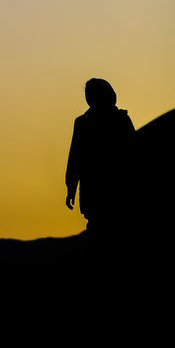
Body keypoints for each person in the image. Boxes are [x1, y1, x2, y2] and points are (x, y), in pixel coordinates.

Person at [64, 78, 135, 238]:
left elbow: (134, 154)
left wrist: (71, 187)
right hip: (96, 191)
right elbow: (75, 157)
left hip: (118, 189)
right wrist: (71, 187)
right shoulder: (84, 123)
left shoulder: (121, 120)